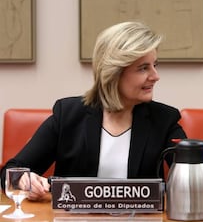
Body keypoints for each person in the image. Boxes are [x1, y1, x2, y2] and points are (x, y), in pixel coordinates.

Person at [0, 21, 187, 201]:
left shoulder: (164, 120)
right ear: (113, 72)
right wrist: (25, 180)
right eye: (143, 68)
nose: (155, 76)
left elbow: (193, 171)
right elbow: (11, 171)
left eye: (155, 65)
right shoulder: (68, 115)